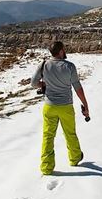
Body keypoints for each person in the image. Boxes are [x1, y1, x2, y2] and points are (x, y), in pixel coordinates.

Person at [31, 40, 90, 175]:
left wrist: (44, 85)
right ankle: (74, 158)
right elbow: (77, 87)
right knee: (70, 133)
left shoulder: (44, 64)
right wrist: (85, 105)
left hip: (49, 107)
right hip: (66, 107)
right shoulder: (70, 67)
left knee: (48, 136)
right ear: (61, 51)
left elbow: (33, 83)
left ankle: (46, 167)